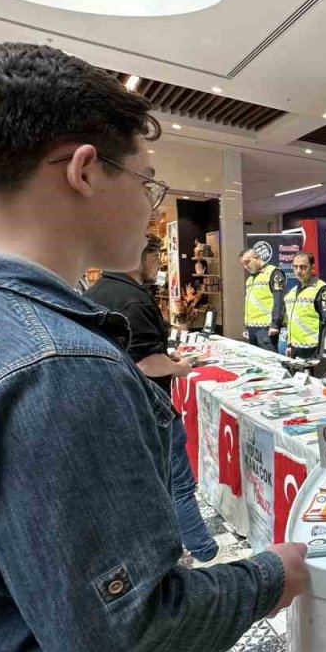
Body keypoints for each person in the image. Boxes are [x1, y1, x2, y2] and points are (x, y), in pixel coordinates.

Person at [0, 43, 307, 652]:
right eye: (146, 181)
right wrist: (269, 578)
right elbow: (126, 634)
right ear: (85, 170)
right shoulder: (55, 365)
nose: (150, 206)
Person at [86, 234, 219, 564]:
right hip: (150, 408)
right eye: (156, 256)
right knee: (178, 484)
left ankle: (167, 548)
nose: (158, 264)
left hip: (118, 405)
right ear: (138, 256)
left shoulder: (98, 291)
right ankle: (204, 551)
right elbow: (145, 362)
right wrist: (180, 367)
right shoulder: (133, 299)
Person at [281, 251, 326, 359]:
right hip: (295, 349)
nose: (298, 271)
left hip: (314, 351)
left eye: (303, 267)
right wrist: (289, 344)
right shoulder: (292, 292)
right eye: (295, 267)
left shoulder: (322, 290)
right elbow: (292, 322)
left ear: (312, 267)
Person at [240, 247, 284, 351]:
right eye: (243, 264)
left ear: (257, 258)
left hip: (266, 327)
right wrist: (247, 326)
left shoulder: (274, 273)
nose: (245, 266)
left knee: (269, 361)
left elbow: (279, 301)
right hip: (252, 327)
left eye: (247, 262)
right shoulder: (250, 279)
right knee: (255, 361)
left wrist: (275, 324)